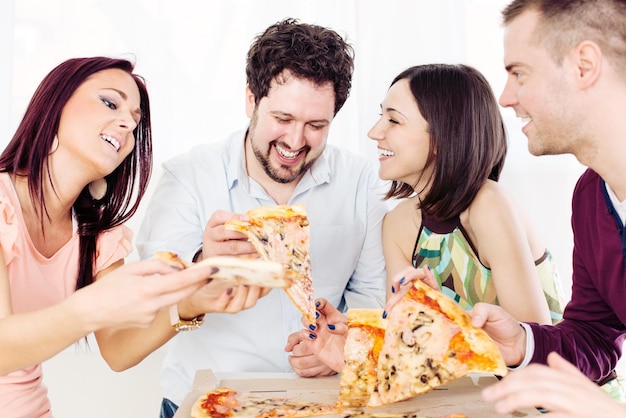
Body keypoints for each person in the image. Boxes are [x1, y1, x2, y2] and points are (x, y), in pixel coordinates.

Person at [134, 18, 388, 417]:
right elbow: (148, 297)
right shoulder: (188, 176)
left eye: (316, 125)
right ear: (251, 100)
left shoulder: (362, 183)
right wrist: (203, 263)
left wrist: (341, 346)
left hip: (322, 401)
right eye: (283, 119)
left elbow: (373, 293)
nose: (295, 140)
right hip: (209, 400)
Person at [290, 62, 565, 373]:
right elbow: (412, 353)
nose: (374, 132)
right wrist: (353, 345)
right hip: (477, 401)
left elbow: (535, 351)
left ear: (442, 136)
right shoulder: (397, 224)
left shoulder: (490, 205)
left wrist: (441, 321)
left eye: (393, 120)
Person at [0, 57, 234, 418]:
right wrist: (90, 306)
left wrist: (191, 302)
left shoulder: (97, 236)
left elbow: (119, 350)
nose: (127, 123)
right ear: (56, 103)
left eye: (136, 120)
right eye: (110, 103)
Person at [468, 0, 626, 413]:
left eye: (519, 73)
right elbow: (595, 334)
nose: (505, 97)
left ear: (584, 66)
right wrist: (522, 343)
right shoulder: (592, 196)